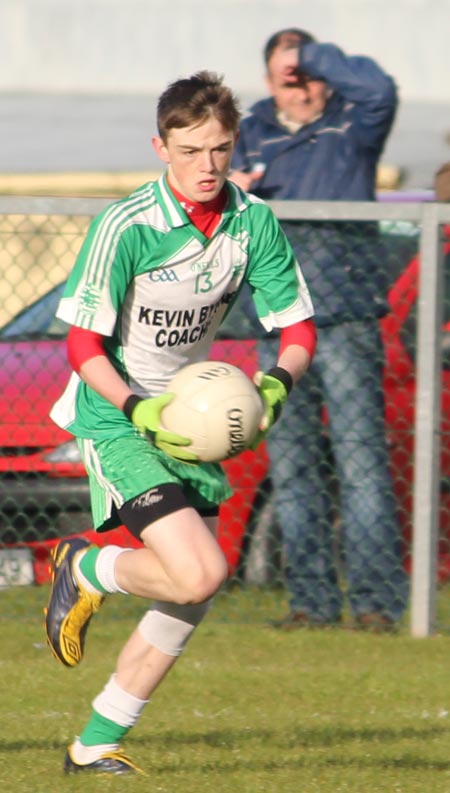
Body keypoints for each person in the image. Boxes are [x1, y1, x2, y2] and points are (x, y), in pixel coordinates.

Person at [44, 70, 316, 775]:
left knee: (195, 585)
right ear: (160, 147)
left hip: (189, 420)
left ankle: (96, 741)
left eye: (219, 148)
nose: (207, 165)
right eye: (190, 149)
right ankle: (89, 563)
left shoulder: (251, 223)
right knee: (199, 571)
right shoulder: (126, 224)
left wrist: (276, 388)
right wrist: (138, 406)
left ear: (234, 144)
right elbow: (79, 344)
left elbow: (297, 326)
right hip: (117, 414)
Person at [230, 28, 409, 631]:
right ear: (267, 83)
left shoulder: (352, 125)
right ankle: (310, 604)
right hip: (275, 326)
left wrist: (308, 56)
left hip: (345, 319)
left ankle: (376, 605)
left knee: (360, 463)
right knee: (293, 465)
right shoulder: (248, 129)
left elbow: (380, 87)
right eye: (287, 75)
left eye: (308, 74)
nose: (301, 86)